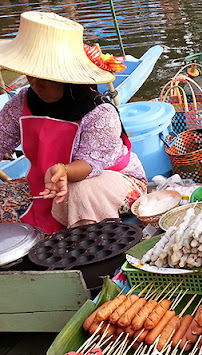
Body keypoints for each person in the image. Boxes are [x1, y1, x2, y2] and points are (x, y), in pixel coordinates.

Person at [0, 11, 147, 234]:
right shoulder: (22, 101)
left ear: (67, 78)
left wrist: (63, 170)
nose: (36, 85)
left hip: (107, 180)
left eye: (46, 79)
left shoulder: (100, 112)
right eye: (31, 75)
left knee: (79, 191)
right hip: (47, 186)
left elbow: (89, 165)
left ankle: (89, 248)